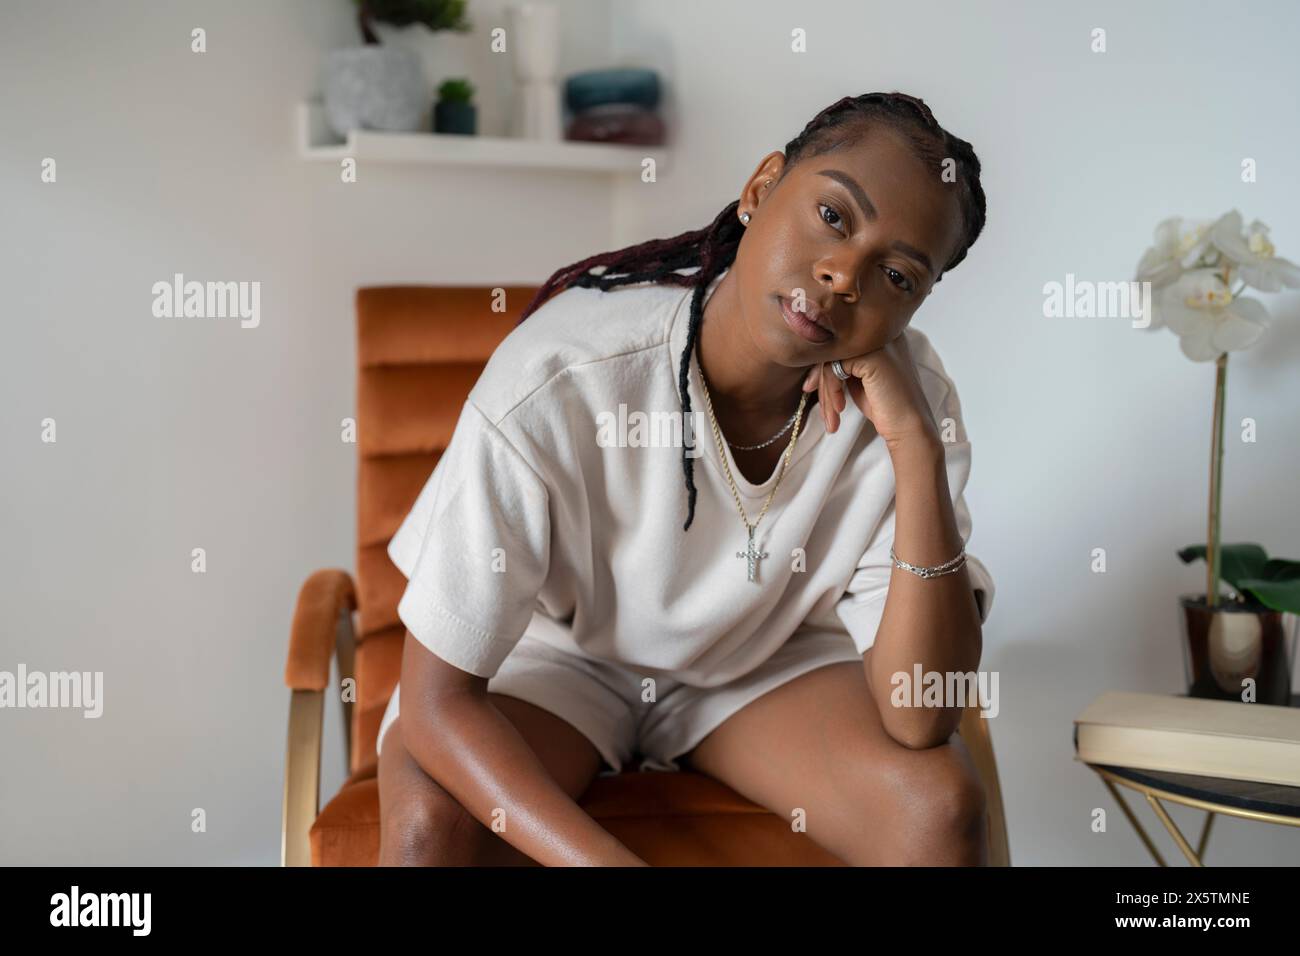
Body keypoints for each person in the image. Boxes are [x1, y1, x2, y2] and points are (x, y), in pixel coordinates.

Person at [376, 91, 996, 867]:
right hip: (554, 657)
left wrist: (915, 447)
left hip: (759, 666)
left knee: (938, 807)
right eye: (834, 216)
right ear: (763, 187)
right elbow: (438, 707)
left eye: (899, 275)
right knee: (429, 827)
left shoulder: (910, 405)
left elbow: (918, 715)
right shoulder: (563, 374)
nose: (844, 275)